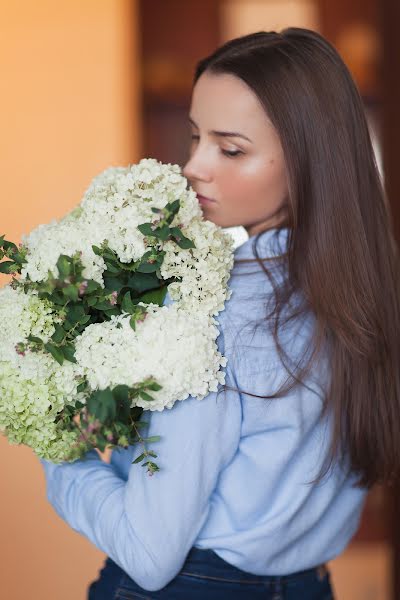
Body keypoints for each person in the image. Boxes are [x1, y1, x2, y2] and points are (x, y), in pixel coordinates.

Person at [39, 28, 400, 599]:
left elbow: (149, 551)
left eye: (230, 148)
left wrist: (59, 448)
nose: (193, 166)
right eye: (195, 137)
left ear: (308, 160)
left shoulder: (217, 312)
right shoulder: (367, 293)